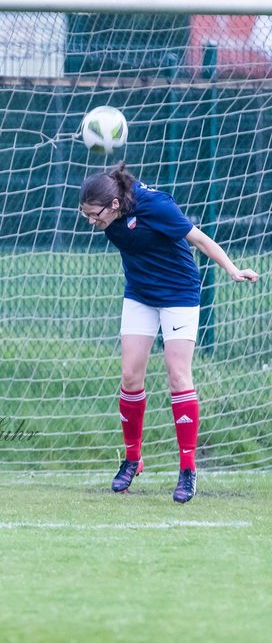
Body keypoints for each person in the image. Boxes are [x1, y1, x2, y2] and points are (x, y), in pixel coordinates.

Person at [79, 162, 257, 503]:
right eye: (85, 213)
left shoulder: (156, 206)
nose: (91, 221)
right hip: (140, 294)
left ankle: (188, 469)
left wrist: (233, 270)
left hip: (178, 294)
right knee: (130, 376)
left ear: (114, 205)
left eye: (93, 214)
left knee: (178, 376)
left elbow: (201, 240)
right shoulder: (110, 212)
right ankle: (133, 459)